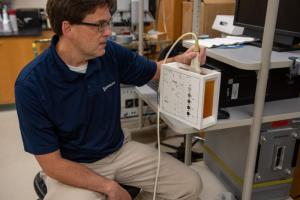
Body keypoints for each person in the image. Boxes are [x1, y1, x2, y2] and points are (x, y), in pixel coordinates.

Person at [15, 0, 206, 200]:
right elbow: (52, 164)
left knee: (190, 185)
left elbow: (154, 70)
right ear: (68, 28)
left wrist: (180, 61)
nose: (108, 32)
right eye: (99, 25)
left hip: (119, 150)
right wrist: (109, 187)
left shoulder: (109, 54)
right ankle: (49, 184)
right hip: (72, 164)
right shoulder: (31, 84)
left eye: (108, 23)